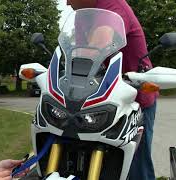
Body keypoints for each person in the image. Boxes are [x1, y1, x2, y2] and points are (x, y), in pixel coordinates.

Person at [66, 0, 158, 180]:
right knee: (94, 156)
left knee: (135, 164)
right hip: (104, 97)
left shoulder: (112, 5)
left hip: (135, 96)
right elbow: (78, 55)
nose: (67, 2)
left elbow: (96, 48)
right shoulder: (82, 16)